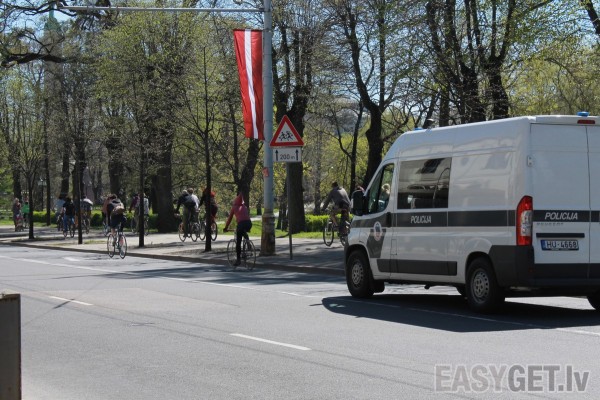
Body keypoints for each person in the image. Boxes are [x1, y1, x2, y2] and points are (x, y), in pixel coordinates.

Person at [223, 192, 252, 266]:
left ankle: (238, 260)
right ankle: (247, 242)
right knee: (243, 231)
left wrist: (226, 228)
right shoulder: (244, 207)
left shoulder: (234, 207)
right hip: (249, 223)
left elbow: (229, 219)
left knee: (238, 242)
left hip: (241, 224)